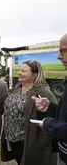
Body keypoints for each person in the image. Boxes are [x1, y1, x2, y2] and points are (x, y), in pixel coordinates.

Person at [1, 60, 57, 165]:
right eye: (19, 70)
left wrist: (41, 143)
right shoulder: (18, 87)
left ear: (34, 75)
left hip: (29, 143)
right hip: (13, 140)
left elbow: (52, 119)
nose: (19, 73)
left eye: (23, 71)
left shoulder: (43, 92)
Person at [32, 33, 67, 165]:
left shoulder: (43, 90)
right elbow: (64, 115)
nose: (58, 56)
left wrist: (49, 124)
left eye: (63, 51)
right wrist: (50, 107)